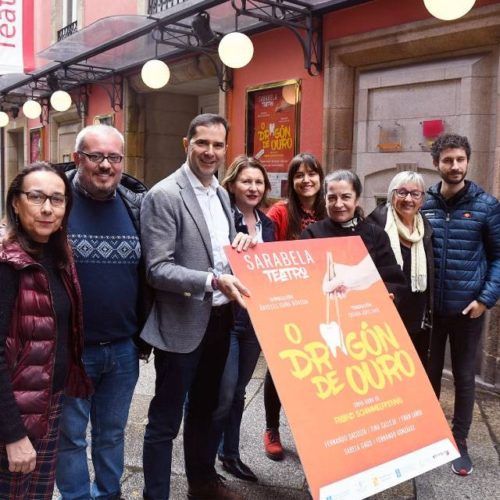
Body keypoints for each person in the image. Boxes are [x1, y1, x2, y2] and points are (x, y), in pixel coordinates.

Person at [140, 114, 254, 500]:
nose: (210, 152)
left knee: (206, 409)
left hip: (221, 319)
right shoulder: (164, 195)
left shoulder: (221, 194)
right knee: (165, 420)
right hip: (181, 324)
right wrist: (210, 281)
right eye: (201, 143)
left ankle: (202, 482)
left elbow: (215, 251)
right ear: (185, 143)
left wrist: (241, 245)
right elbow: (157, 269)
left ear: (226, 149)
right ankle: (155, 493)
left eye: (218, 145)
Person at [56, 125, 149, 499]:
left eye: (113, 157)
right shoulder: (57, 203)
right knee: (70, 438)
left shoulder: (135, 205)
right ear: (78, 159)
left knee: (112, 434)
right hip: (71, 349)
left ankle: (109, 494)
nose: (106, 165)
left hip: (123, 350)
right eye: (96, 156)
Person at [0, 163, 92, 499]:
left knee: (37, 493)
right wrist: (12, 434)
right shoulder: (6, 264)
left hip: (47, 402)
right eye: (36, 197)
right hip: (12, 414)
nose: (47, 209)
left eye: (57, 199)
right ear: (15, 202)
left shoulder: (57, 257)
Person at [421, 133, 500, 476]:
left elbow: (499, 257)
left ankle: (459, 441)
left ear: (468, 161)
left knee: (465, 378)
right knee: (428, 376)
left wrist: (485, 299)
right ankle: (428, 434)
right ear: (436, 163)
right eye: (447, 160)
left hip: (468, 311)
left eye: (460, 160)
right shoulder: (423, 203)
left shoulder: (487, 206)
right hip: (431, 312)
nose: (454, 166)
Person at [213, 155, 275, 482]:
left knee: (238, 391)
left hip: (256, 320)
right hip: (229, 319)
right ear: (233, 183)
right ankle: (205, 457)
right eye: (246, 181)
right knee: (223, 393)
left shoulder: (270, 224)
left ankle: (230, 453)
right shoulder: (224, 221)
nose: (252, 187)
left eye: (258, 182)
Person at [263, 152, 326, 461]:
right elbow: (265, 256)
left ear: (320, 177)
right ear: (291, 181)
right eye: (299, 175)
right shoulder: (279, 213)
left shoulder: (331, 210)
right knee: (279, 368)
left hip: (322, 303)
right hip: (286, 303)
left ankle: (314, 429)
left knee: (316, 369)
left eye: (311, 173)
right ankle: (272, 429)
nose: (306, 180)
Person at [301, 169, 405, 299]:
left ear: (357, 200)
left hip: (368, 312)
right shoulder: (311, 234)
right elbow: (305, 282)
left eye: (346, 197)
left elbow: (393, 279)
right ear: (325, 200)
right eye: (332, 198)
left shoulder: (376, 235)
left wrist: (389, 294)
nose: (338, 204)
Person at [367, 171, 434, 366]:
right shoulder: (374, 227)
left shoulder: (426, 229)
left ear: (422, 200)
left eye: (415, 194)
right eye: (402, 192)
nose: (408, 199)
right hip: (384, 320)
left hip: (418, 320)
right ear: (391, 195)